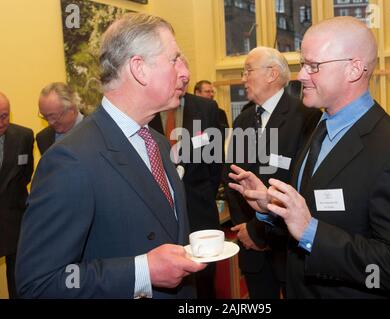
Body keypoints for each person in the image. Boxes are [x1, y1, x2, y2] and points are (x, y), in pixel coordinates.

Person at [228, 17, 390, 298]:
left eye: (314, 66)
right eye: (303, 65)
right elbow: (312, 210)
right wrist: (271, 205)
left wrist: (312, 232)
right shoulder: (319, 128)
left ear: (354, 69)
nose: (301, 76)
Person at [16, 13, 206, 299]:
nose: (185, 72)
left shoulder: (158, 144)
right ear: (139, 69)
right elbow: (40, 283)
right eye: (174, 59)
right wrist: (142, 271)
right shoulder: (71, 160)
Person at [224, 46, 321, 299]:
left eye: (248, 71)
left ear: (271, 74)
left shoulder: (307, 118)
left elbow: (302, 186)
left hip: (287, 249)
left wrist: (261, 231)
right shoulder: (243, 120)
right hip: (251, 247)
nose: (243, 78)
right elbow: (232, 178)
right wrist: (245, 229)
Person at [149, 60, 223, 299]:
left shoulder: (206, 108)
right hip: (158, 210)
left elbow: (215, 162)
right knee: (167, 279)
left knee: (204, 279)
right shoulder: (147, 108)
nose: (183, 78)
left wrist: (203, 194)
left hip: (199, 207)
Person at [0, 92, 34, 299]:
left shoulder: (24, 136)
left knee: (17, 281)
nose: (1, 122)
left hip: (15, 220)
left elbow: (26, 174)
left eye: (5, 115)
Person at [36, 82, 84, 155]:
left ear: (72, 109)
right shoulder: (43, 139)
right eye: (45, 117)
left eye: (53, 117)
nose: (50, 122)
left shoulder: (97, 130)